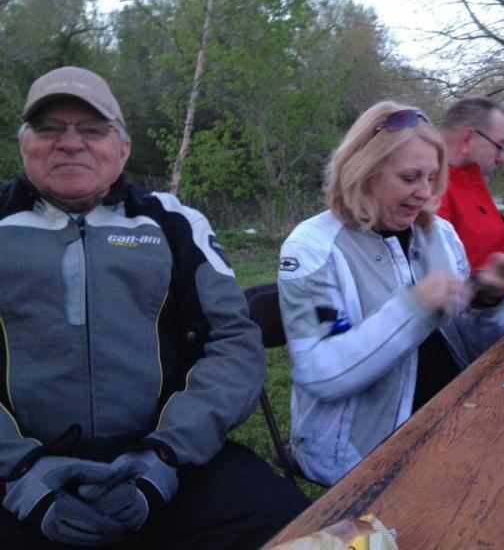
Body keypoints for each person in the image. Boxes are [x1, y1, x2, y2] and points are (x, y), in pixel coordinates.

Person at [0, 66, 309, 549]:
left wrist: (164, 459)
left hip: (166, 463)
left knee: (296, 528)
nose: (70, 142)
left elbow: (234, 343)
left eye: (93, 129)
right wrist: (21, 474)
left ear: (122, 149)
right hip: (20, 474)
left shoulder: (174, 222)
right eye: (49, 129)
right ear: (25, 144)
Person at [277, 101, 504, 486]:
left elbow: (473, 348)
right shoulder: (312, 248)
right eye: (410, 177)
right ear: (364, 174)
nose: (425, 193)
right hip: (362, 448)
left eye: (432, 177)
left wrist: (485, 296)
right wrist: (414, 307)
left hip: (452, 419)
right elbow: (322, 373)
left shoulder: (439, 235)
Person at [437, 96, 504, 272]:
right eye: (499, 146)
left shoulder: (470, 184)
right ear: (467, 140)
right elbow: (438, 284)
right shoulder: (435, 193)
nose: (502, 158)